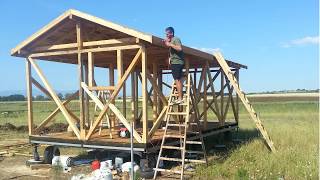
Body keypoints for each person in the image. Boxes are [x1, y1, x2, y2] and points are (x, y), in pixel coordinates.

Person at [163, 27, 185, 104]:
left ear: (171, 33)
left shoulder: (176, 39)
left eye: (168, 34)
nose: (166, 35)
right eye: (166, 34)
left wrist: (170, 44)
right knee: (179, 78)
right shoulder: (172, 40)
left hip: (177, 62)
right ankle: (180, 95)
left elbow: (179, 48)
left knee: (177, 80)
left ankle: (180, 98)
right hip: (176, 62)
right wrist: (167, 42)